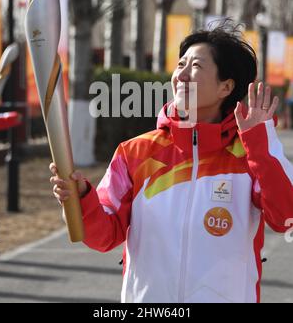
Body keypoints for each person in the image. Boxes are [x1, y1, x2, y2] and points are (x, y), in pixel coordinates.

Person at [50, 24, 293, 304]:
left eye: (196, 66)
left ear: (226, 86)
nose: (182, 74)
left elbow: (285, 216)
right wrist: (82, 198)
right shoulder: (136, 153)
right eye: (181, 64)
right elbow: (104, 236)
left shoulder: (249, 152)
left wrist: (258, 146)